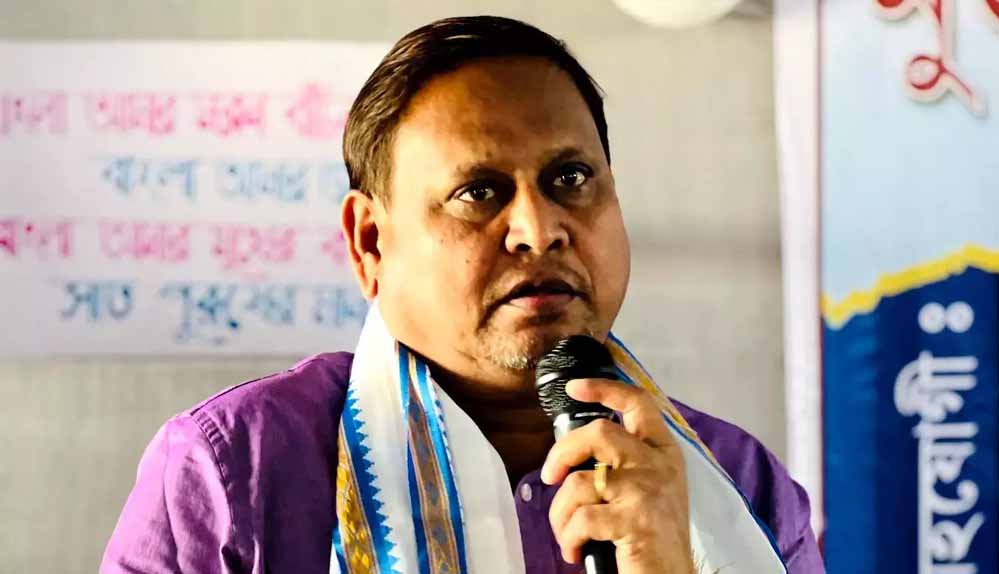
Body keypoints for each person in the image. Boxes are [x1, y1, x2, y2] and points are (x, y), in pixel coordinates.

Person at [101, 16, 823, 574]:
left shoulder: (739, 486)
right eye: (478, 192)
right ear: (370, 243)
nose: (539, 230)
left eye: (570, 179)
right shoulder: (236, 473)